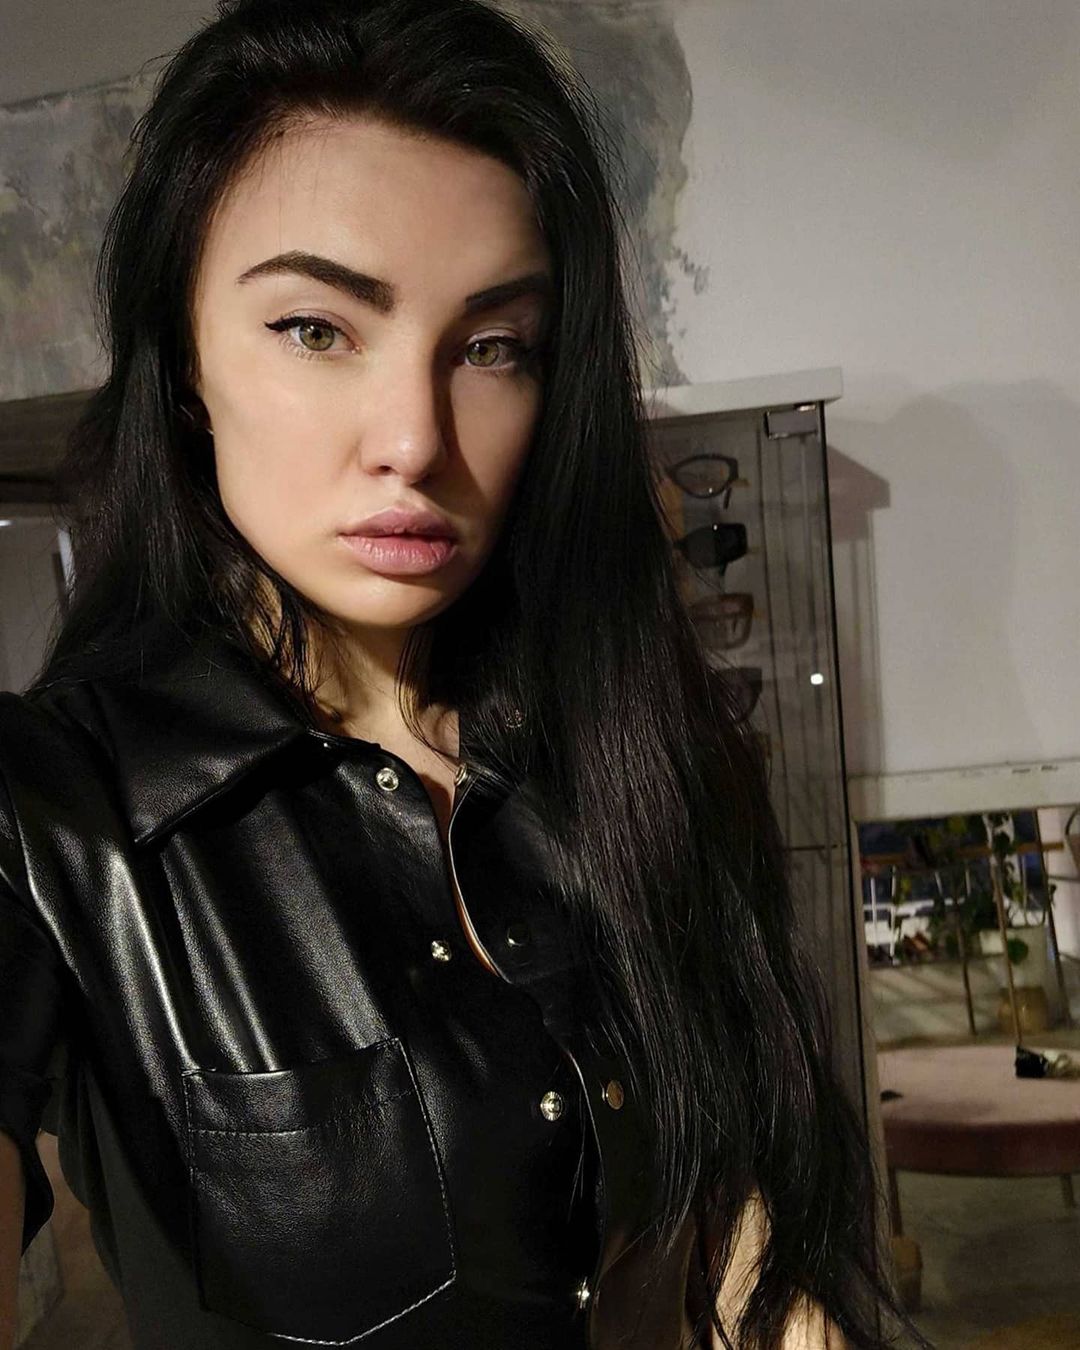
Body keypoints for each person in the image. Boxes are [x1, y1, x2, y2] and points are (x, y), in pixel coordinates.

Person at [0, 1, 922, 1347]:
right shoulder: (55, 809)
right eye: (317, 328)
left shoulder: (625, 750)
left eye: (493, 347)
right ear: (185, 359)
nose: (416, 438)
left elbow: (753, 1244)